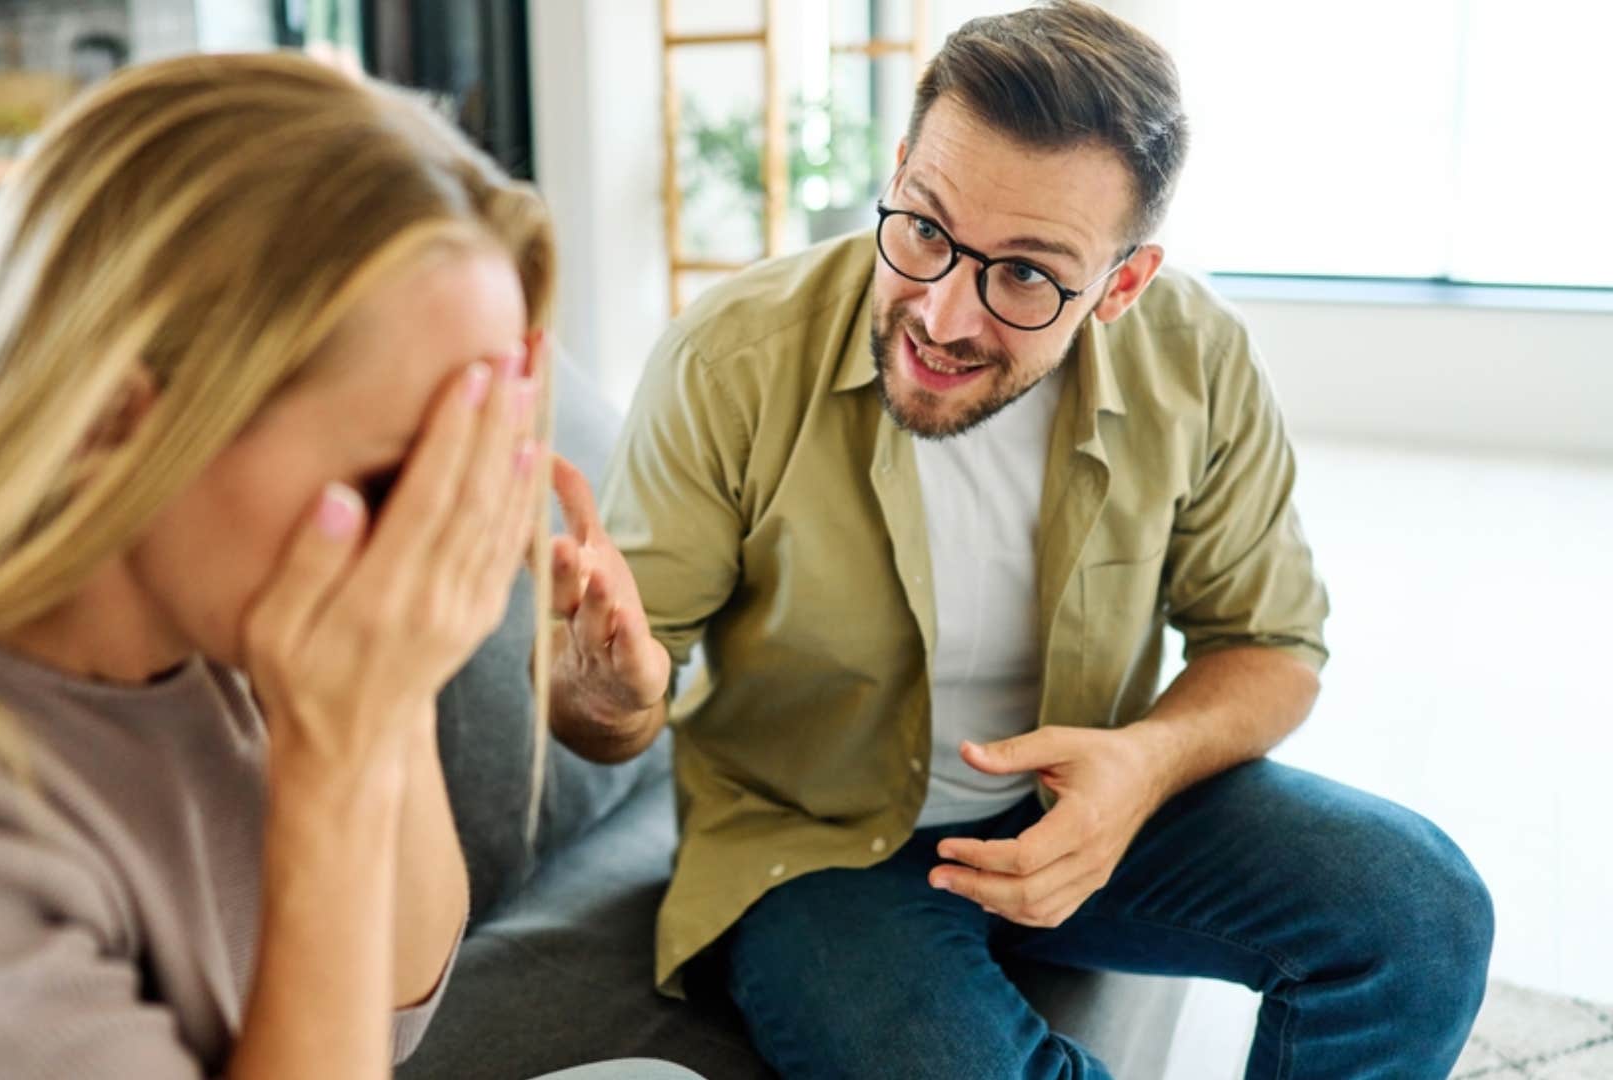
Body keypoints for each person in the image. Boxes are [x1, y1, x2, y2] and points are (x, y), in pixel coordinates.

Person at [0, 53, 694, 1080]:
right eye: (403, 469)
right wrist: (337, 764)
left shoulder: (200, 640)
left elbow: (385, 1015)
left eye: (470, 456)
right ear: (113, 421)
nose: (438, 535)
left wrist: (388, 705)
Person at [543, 3, 1495, 1076]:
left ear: (1122, 284)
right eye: (923, 228)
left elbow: (1272, 647)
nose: (946, 315)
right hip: (811, 848)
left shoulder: (1199, 357)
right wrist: (614, 697)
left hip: (1088, 814)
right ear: (900, 169)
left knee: (1423, 914)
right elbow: (611, 709)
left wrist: (1142, 766)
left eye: (1029, 276)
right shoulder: (731, 360)